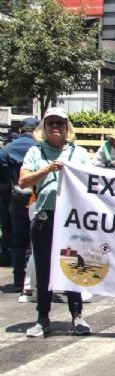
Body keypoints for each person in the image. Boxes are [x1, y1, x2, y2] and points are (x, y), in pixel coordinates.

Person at [19, 107, 93, 337]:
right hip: (45, 217)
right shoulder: (35, 152)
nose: (55, 127)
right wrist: (48, 168)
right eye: (50, 123)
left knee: (73, 269)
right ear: (44, 128)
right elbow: (23, 181)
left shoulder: (79, 154)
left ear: (66, 127)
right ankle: (43, 319)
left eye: (60, 123)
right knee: (43, 270)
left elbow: (92, 183)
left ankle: (77, 316)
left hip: (71, 221)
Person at [0, 117, 39, 297]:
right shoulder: (41, 148)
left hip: (15, 197)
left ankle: (17, 281)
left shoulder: (8, 149)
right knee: (36, 240)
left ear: (21, 129)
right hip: (37, 197)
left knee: (18, 239)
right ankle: (31, 282)